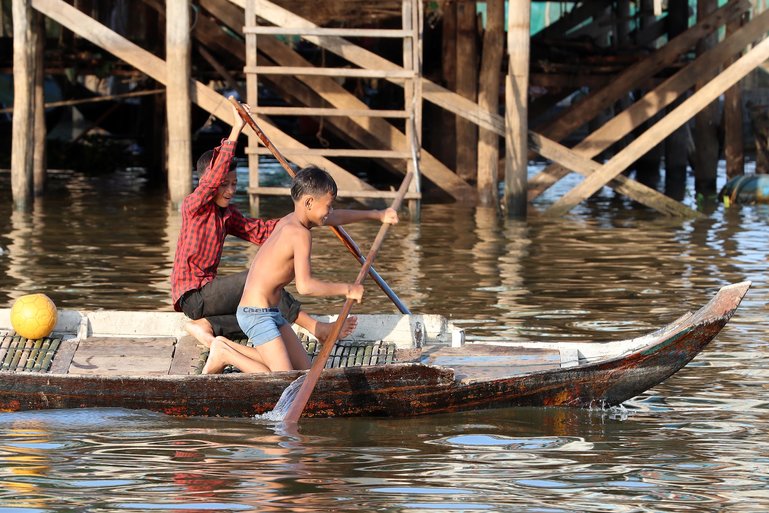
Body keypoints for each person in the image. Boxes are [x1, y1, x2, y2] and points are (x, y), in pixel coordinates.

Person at [171, 102, 361, 348]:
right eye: (224, 184)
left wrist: (306, 215)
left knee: (263, 307)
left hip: (209, 300)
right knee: (261, 280)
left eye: (234, 183)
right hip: (193, 296)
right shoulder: (193, 206)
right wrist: (237, 128)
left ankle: (207, 325)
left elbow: (264, 232)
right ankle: (315, 327)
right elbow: (211, 180)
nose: (230, 190)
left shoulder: (228, 215)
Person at [202, 166, 399, 374]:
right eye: (328, 206)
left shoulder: (293, 218)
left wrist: (378, 214)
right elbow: (305, 286)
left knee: (303, 371)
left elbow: (337, 216)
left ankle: (225, 347)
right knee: (284, 379)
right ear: (309, 203)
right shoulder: (300, 235)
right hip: (255, 314)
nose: (330, 212)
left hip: (272, 311)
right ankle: (225, 354)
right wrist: (347, 289)